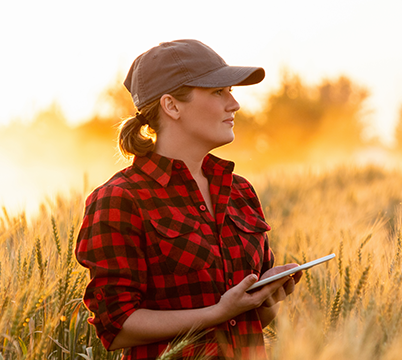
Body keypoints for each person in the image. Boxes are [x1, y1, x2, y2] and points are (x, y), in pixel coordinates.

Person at [75, 39, 300, 359]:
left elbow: (247, 322)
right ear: (172, 106)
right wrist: (216, 313)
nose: (234, 104)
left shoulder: (240, 193)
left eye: (231, 92)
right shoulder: (121, 199)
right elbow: (117, 327)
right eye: (218, 92)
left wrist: (267, 298)